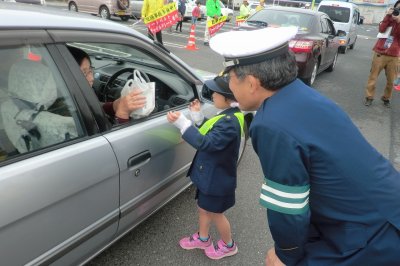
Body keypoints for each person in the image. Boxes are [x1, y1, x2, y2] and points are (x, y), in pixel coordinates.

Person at [209, 26, 400, 265]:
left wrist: (286, 255)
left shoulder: (272, 124)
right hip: (384, 208)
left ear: (251, 83)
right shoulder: (301, 94)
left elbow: (288, 207)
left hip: (369, 237)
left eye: (230, 78)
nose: (230, 87)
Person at [166, 75, 244, 260]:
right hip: (212, 177)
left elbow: (206, 143)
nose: (212, 96)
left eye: (215, 93)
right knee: (203, 207)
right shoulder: (228, 115)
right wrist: (197, 117)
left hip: (217, 180)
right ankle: (203, 238)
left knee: (216, 213)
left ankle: (228, 245)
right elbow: (212, 134)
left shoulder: (230, 123)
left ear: (227, 97)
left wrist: (183, 123)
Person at [68, 46, 146, 123]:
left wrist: (114, 106)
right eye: (84, 73)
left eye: (90, 70)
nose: (92, 78)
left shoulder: (72, 98)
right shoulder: (69, 111)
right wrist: (123, 112)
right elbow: (112, 135)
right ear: (67, 75)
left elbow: (91, 109)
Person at [364, 0, 400, 107]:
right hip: (380, 51)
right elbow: (381, 29)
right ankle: (369, 97)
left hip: (394, 55)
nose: (397, 11)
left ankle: (386, 98)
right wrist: (387, 16)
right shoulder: (389, 17)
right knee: (373, 77)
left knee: (391, 80)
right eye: (397, 8)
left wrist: (398, 21)